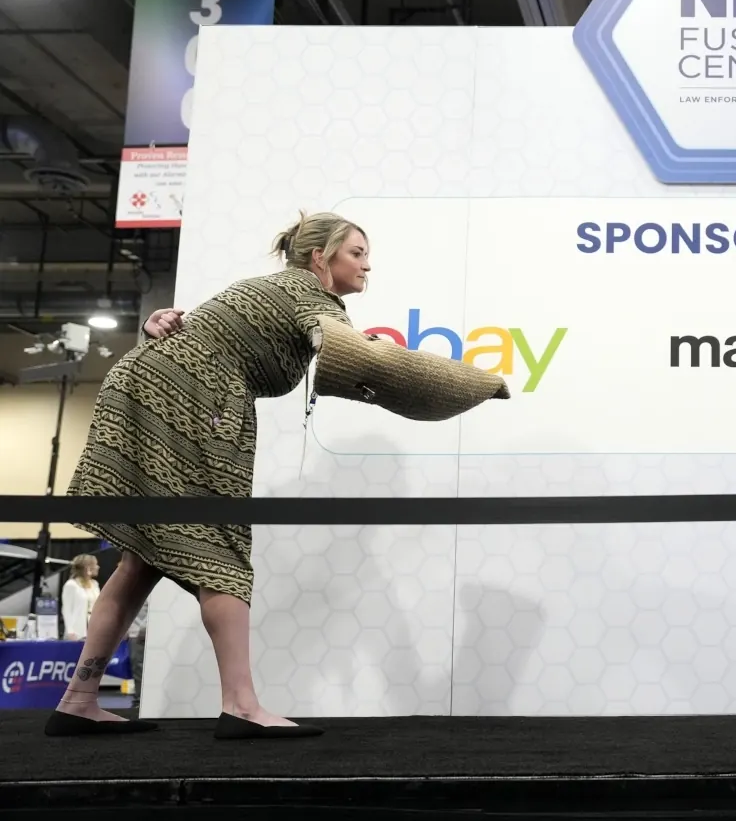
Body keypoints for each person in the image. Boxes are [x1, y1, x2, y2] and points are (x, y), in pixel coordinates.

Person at [46, 212, 507, 741]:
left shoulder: (275, 288)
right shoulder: (307, 294)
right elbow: (377, 366)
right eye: (356, 252)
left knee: (142, 560)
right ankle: (241, 706)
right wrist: (481, 382)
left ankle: (78, 700)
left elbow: (197, 330)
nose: (367, 263)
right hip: (190, 401)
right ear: (320, 258)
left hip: (148, 384)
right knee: (219, 552)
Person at [62, 553, 101, 640]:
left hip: (94, 628)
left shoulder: (95, 584)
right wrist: (70, 631)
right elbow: (66, 610)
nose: (98, 567)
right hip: (78, 631)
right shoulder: (72, 585)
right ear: (87, 568)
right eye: (95, 565)